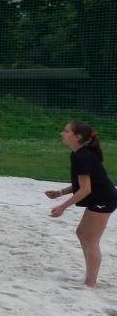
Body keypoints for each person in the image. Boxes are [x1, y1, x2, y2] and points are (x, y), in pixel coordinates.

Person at [45, 122, 116, 288]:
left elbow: (85, 189)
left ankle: (90, 282)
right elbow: (81, 184)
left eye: (66, 131)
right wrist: (59, 192)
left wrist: (62, 207)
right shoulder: (78, 154)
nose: (62, 133)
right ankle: (88, 276)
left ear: (77, 137)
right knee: (82, 234)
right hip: (100, 198)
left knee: (91, 239)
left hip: (104, 199)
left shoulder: (82, 156)